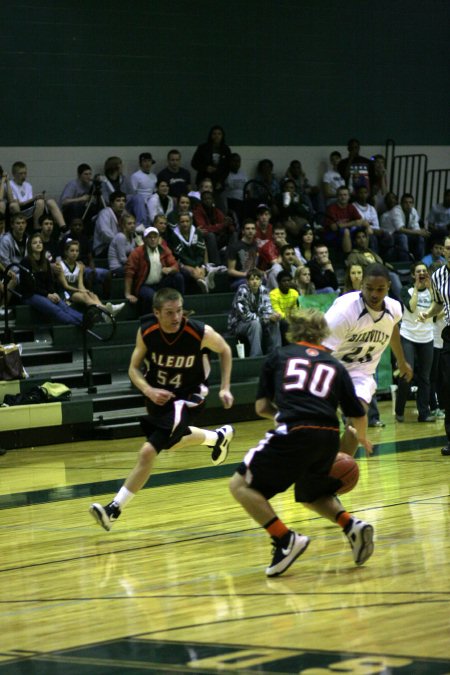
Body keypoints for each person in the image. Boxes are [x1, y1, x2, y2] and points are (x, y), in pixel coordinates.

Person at [229, 307, 373, 577]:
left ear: (292, 331)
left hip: (295, 431)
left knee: (239, 485)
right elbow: (358, 414)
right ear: (323, 333)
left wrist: (280, 414)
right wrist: (362, 437)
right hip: (328, 436)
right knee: (311, 494)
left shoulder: (279, 356)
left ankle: (284, 538)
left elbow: (261, 406)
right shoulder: (335, 365)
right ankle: (350, 524)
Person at [89, 287, 234, 531]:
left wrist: (225, 387)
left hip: (188, 396)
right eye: (169, 313)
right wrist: (148, 390)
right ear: (156, 313)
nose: (176, 317)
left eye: (179, 311)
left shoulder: (199, 332)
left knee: (148, 452)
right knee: (173, 442)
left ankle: (113, 509)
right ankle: (217, 438)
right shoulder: (147, 332)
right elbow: (133, 369)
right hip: (159, 396)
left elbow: (226, 350)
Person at [323, 263, 413, 456]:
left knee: (357, 419)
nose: (374, 294)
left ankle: (340, 468)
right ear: (361, 285)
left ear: (388, 286)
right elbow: (321, 350)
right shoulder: (344, 312)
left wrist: (401, 361)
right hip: (332, 368)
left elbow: (392, 329)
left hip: (361, 373)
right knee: (320, 428)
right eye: (369, 288)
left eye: (380, 289)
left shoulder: (394, 308)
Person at [341, 262, 384, 428]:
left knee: (369, 379)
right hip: (350, 346)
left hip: (370, 342)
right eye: (354, 272)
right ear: (349, 275)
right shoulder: (344, 297)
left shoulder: (375, 296)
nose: (356, 275)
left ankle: (373, 417)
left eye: (359, 272)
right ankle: (349, 419)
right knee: (349, 387)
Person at [418, 235, 450, 456]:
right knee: (447, 387)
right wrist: (428, 313)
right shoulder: (438, 276)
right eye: (448, 248)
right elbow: (439, 302)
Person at [395, 262, 435, 423]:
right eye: (418, 271)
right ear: (413, 275)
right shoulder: (407, 290)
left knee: (425, 377)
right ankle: (399, 410)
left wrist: (430, 288)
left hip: (427, 337)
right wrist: (418, 289)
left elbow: (438, 309)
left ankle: (424, 413)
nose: (422, 273)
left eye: (424, 271)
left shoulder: (433, 291)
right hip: (408, 336)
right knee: (407, 374)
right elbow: (411, 307)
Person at [20, 233, 84, 325]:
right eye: (35, 243)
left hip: (45, 293)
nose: (38, 244)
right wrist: (47, 295)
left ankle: (84, 319)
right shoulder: (25, 261)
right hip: (30, 295)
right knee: (55, 309)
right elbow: (30, 286)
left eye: (40, 242)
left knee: (63, 305)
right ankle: (79, 323)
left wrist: (53, 292)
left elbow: (50, 282)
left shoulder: (45, 261)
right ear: (30, 246)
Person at [124, 226, 184, 314]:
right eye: (150, 237)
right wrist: (128, 294)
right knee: (152, 296)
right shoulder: (137, 253)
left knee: (178, 277)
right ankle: (153, 318)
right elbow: (129, 273)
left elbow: (175, 265)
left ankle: (180, 307)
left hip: (160, 283)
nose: (153, 239)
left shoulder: (164, 250)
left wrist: (170, 269)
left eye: (155, 237)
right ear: (144, 239)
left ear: (158, 238)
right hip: (144, 285)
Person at [57, 239, 125, 317]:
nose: (74, 253)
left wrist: (85, 291)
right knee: (85, 296)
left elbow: (80, 284)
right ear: (66, 252)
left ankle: (105, 312)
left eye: (77, 251)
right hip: (66, 293)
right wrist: (81, 290)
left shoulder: (80, 266)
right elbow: (65, 286)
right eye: (72, 251)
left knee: (93, 295)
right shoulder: (60, 265)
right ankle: (106, 311)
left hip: (76, 290)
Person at [228, 268, 281, 357]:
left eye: (257, 279)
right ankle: (256, 356)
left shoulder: (264, 290)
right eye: (252, 279)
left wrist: (272, 316)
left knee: (274, 322)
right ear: (247, 282)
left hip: (259, 320)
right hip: (239, 324)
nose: (255, 282)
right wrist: (266, 318)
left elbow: (267, 309)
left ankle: (275, 353)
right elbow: (245, 316)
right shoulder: (242, 291)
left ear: (260, 281)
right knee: (255, 323)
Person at [345, 227, 403, 300]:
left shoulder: (371, 252)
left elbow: (381, 263)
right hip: (368, 278)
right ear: (355, 241)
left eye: (363, 237)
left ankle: (402, 303)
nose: (362, 240)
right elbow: (354, 270)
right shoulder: (353, 255)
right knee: (391, 277)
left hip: (381, 274)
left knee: (393, 275)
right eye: (359, 238)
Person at [9, 161, 66, 233]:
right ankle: (36, 229)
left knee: (50, 201)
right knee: (39, 202)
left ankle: (63, 228)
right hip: (20, 209)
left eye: (25, 173)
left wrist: (38, 197)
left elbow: (30, 201)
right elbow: (17, 203)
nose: (23, 175)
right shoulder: (10, 184)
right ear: (14, 174)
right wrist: (35, 198)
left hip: (29, 208)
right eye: (21, 173)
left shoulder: (28, 185)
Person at [191, 125, 232, 208]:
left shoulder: (226, 149)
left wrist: (221, 181)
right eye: (214, 134)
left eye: (219, 134)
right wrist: (205, 168)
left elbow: (227, 168)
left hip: (217, 183)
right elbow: (194, 163)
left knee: (218, 205)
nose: (216, 136)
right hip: (203, 179)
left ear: (222, 136)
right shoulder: (203, 148)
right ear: (210, 135)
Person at [325, 185, 369, 254]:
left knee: (365, 229)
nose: (343, 197)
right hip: (333, 235)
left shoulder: (351, 207)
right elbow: (333, 227)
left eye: (345, 195)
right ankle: (348, 257)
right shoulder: (332, 208)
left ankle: (365, 254)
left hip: (348, 231)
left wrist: (344, 225)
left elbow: (360, 221)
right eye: (340, 195)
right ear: (337, 197)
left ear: (349, 197)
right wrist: (352, 223)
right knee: (346, 231)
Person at [391, 193, 430, 260]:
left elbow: (416, 228)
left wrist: (422, 232)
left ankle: (420, 262)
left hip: (406, 234)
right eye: (406, 202)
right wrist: (419, 232)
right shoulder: (396, 210)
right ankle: (405, 263)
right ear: (401, 203)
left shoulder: (413, 211)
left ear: (413, 204)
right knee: (403, 237)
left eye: (410, 202)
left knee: (420, 238)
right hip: (391, 234)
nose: (408, 205)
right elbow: (400, 229)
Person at [93, 190, 128, 257]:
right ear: (112, 203)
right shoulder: (105, 213)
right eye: (118, 201)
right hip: (103, 248)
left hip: (119, 245)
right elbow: (105, 233)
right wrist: (121, 242)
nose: (121, 203)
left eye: (123, 201)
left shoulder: (124, 213)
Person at [226, 219, 259, 290]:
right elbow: (230, 271)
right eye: (248, 229)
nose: (250, 231)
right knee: (250, 283)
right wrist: (246, 275)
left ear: (255, 231)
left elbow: (253, 266)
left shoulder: (255, 246)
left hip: (252, 278)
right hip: (238, 280)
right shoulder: (234, 247)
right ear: (243, 231)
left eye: (253, 229)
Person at [269, 269, 299, 344]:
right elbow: (278, 312)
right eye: (284, 281)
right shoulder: (273, 294)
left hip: (290, 318)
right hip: (278, 320)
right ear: (279, 283)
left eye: (288, 281)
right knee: (285, 322)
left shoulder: (294, 293)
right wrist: (290, 317)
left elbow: (297, 310)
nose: (286, 283)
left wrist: (294, 317)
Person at [108, 213, 141, 277]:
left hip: (126, 266)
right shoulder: (121, 237)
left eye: (134, 223)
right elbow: (122, 259)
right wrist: (137, 264)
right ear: (123, 226)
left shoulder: (132, 237)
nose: (133, 226)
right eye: (129, 224)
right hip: (116, 268)